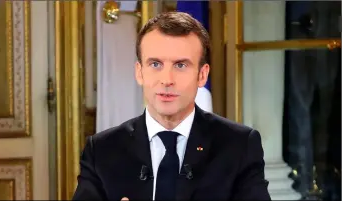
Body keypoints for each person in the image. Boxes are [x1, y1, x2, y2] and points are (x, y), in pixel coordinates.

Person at [72, 12, 271, 200]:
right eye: (156, 64)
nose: (167, 80)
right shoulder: (102, 150)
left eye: (180, 65)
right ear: (139, 72)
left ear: (202, 75)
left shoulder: (239, 145)